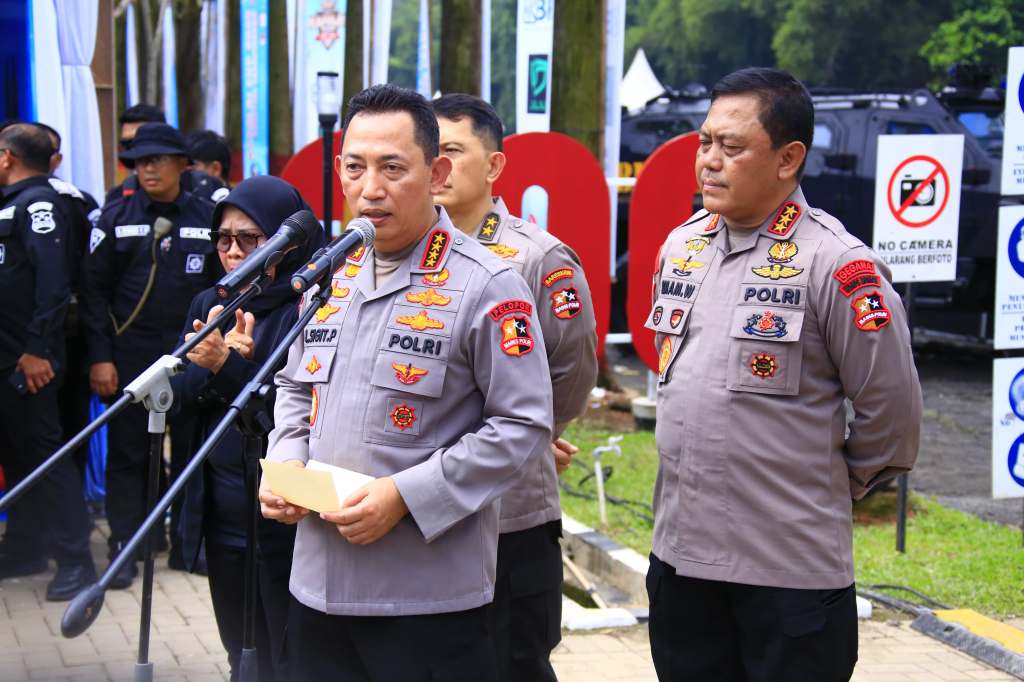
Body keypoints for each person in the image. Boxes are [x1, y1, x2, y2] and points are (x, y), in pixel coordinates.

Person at [259, 84, 553, 681]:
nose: (371, 188)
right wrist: (286, 461)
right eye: (355, 167)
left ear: (435, 173)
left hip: (425, 599)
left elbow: (522, 425)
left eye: (392, 168)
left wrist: (405, 496)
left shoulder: (488, 284)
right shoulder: (329, 275)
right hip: (316, 585)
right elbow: (294, 387)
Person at [644, 67, 923, 681]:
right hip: (682, 565)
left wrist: (822, 488)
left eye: (732, 146)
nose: (709, 161)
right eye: (704, 142)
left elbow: (893, 419)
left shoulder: (837, 265)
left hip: (788, 573)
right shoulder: (681, 248)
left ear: (788, 158)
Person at [432, 93, 598, 681]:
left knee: (512, 662)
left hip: (510, 511)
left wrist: (530, 433)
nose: (439, 166)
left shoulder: (537, 258)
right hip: (422, 510)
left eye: (453, 151)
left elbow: (573, 370)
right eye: (429, 152)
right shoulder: (406, 253)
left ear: (494, 165)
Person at [174, 175, 325, 681]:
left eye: (250, 238)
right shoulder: (211, 303)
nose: (234, 251)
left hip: (287, 511)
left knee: (289, 653)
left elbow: (296, 414)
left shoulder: (313, 303)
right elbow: (175, 398)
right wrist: (214, 368)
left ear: (288, 241)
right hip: (223, 508)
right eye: (223, 238)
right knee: (240, 651)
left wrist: (228, 367)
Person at [80, 122, 220, 589]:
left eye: (157, 160)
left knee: (192, 449)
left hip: (192, 353)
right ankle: (127, 544)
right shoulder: (115, 217)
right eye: (140, 162)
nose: (147, 169)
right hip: (131, 355)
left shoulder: (208, 215)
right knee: (128, 452)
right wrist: (100, 358)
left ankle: (188, 543)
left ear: (182, 164)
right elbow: (93, 294)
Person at [0, 123, 97, 600]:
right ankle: (25, 548)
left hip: (30, 361)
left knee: (46, 458)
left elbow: (54, 284)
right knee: (18, 457)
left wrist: (38, 349)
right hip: (7, 359)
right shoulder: (13, 202)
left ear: (7, 157)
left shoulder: (39, 204)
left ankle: (77, 562)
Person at [106, 106, 226, 206]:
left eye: (143, 143)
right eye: (126, 144)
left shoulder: (206, 192)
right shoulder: (117, 200)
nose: (135, 150)